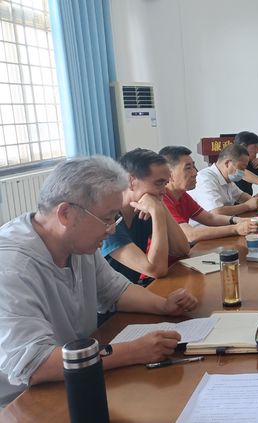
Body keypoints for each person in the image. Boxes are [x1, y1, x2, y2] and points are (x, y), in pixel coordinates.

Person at [0, 156, 198, 406]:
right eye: (107, 218)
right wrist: (134, 351)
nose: (112, 229)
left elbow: (115, 291)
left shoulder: (78, 244)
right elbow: (34, 364)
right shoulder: (11, 267)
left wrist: (163, 305)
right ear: (66, 214)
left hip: (79, 375)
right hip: (21, 400)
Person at [102, 148, 191, 284]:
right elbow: (156, 270)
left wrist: (160, 206)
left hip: (133, 290)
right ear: (130, 181)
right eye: (159, 183)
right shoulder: (107, 218)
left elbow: (182, 249)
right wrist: (158, 212)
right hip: (114, 297)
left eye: (165, 184)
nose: (164, 191)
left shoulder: (143, 209)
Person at [159, 146, 258, 243]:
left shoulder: (183, 196)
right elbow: (190, 235)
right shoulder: (162, 200)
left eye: (193, 166)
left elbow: (210, 218)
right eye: (188, 168)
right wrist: (236, 228)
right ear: (169, 174)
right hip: (182, 251)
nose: (195, 173)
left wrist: (239, 220)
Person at [189, 144, 258, 216]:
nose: (243, 172)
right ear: (228, 163)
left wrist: (255, 200)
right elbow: (216, 212)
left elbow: (240, 195)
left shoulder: (226, 178)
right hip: (204, 226)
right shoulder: (205, 178)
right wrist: (247, 206)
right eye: (241, 168)